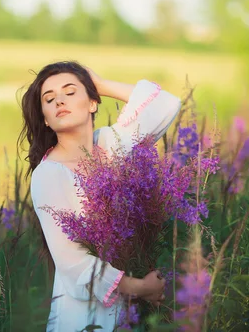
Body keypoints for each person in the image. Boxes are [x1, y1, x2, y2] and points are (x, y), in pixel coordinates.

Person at [18, 61, 182, 331]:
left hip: (134, 307)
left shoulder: (109, 143)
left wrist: (101, 84)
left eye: (70, 92)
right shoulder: (49, 174)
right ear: (46, 119)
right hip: (85, 313)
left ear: (92, 103)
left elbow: (165, 104)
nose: (60, 100)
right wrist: (140, 288)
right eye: (50, 99)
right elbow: (73, 263)